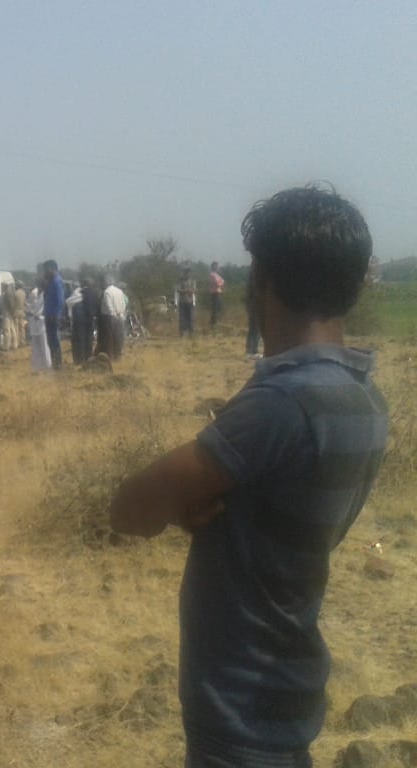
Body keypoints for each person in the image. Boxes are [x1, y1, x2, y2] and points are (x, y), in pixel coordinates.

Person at [109, 185, 387, 767]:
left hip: (239, 703)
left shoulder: (283, 404)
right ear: (354, 284)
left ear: (261, 282)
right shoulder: (362, 397)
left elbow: (130, 510)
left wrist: (184, 502)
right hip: (285, 685)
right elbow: (278, 508)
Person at [43, 260, 65, 369]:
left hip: (53, 316)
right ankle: (54, 363)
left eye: (47, 269)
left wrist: (56, 314)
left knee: (54, 340)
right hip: (48, 315)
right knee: (50, 340)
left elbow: (60, 300)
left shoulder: (57, 282)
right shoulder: (50, 282)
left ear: (53, 269)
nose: (45, 272)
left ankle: (58, 364)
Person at [99, 276, 128, 361]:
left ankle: (109, 356)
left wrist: (113, 314)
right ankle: (118, 356)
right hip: (120, 316)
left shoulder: (107, 291)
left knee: (109, 338)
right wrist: (120, 313)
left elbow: (109, 305)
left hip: (109, 317)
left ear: (106, 283)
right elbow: (123, 304)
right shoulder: (120, 291)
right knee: (118, 337)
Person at [26, 279, 51, 372]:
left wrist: (40, 315)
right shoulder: (34, 293)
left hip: (42, 322)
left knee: (44, 345)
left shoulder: (46, 295)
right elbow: (29, 306)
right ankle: (36, 367)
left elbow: (46, 309)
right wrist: (30, 312)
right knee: (35, 346)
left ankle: (47, 365)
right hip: (34, 322)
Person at [176, 267, 197, 337]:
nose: (188, 274)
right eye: (186, 273)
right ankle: (182, 333)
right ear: (184, 273)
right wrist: (187, 290)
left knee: (190, 318)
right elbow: (178, 290)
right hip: (182, 302)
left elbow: (194, 290)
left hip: (190, 302)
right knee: (182, 318)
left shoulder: (193, 281)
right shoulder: (180, 281)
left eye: (189, 273)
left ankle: (191, 333)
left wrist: (190, 290)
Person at [1, 282, 20, 350]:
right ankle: (15, 344)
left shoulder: (7, 293)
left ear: (4, 286)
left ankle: (6, 346)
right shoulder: (10, 292)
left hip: (7, 313)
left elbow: (10, 304)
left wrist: (11, 312)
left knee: (6, 329)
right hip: (10, 313)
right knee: (12, 329)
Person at [208, 261, 226, 330]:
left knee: (219, 308)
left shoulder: (217, 275)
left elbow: (223, 281)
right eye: (215, 266)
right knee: (215, 309)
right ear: (212, 267)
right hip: (215, 293)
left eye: (217, 266)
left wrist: (220, 283)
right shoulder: (212, 274)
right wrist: (221, 283)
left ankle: (216, 322)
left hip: (218, 293)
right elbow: (217, 283)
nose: (217, 267)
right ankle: (213, 323)